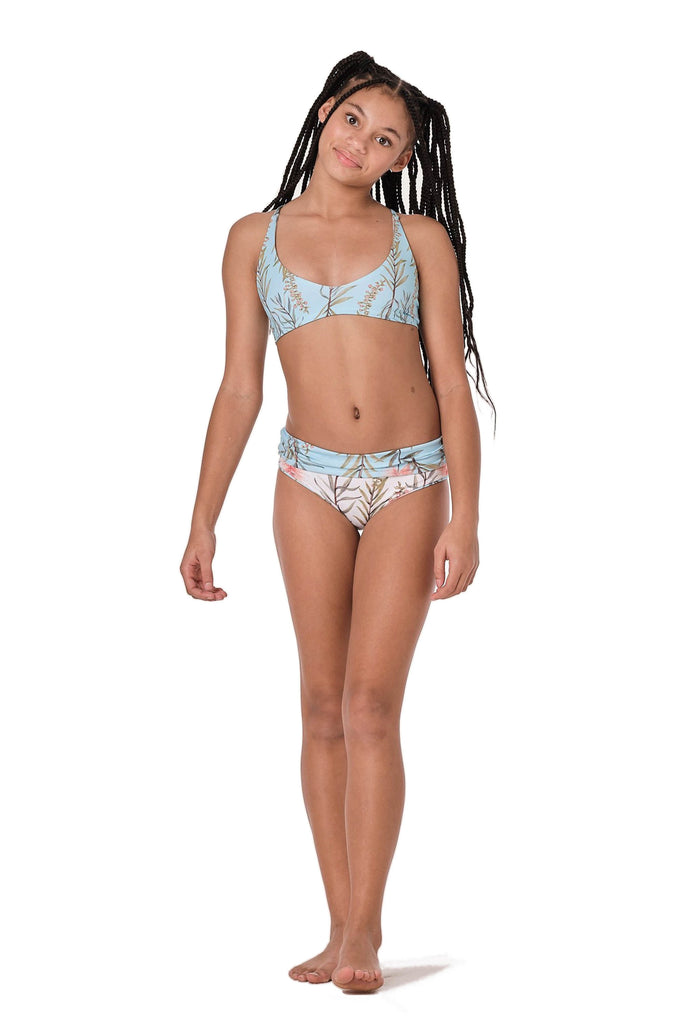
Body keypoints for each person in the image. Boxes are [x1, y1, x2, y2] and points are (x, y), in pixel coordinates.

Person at [180, 50, 496, 994]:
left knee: (369, 706)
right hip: (305, 478)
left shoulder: (418, 239)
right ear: (325, 113)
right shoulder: (251, 237)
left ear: (402, 159)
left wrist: (466, 516)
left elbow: (452, 385)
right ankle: (333, 923)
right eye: (355, 119)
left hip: (407, 477)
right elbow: (240, 388)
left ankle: (366, 930)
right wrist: (202, 520)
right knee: (319, 707)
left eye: (388, 138)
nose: (365, 143)